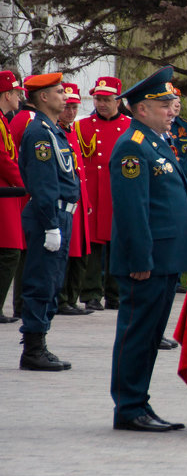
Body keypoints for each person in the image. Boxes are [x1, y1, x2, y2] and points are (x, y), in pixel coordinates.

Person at [108, 66, 187, 432]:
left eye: (170, 103)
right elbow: (133, 210)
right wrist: (141, 258)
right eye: (163, 104)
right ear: (141, 108)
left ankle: (139, 402)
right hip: (146, 261)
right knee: (137, 334)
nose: (171, 109)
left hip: (165, 259)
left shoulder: (157, 141)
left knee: (149, 336)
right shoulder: (133, 145)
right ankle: (129, 406)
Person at [15, 73, 80, 371]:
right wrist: (51, 224)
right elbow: (42, 183)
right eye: (58, 91)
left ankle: (40, 344)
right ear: (42, 97)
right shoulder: (40, 133)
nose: (64, 96)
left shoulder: (53, 130)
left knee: (52, 282)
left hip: (59, 214)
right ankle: (33, 350)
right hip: (48, 216)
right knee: (41, 282)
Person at [76, 75, 129, 311]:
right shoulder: (82, 125)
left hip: (119, 191)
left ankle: (115, 294)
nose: (101, 104)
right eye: (98, 99)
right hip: (94, 193)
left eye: (107, 99)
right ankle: (91, 293)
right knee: (94, 245)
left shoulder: (130, 125)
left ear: (118, 100)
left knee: (119, 243)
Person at [56, 83, 93, 316]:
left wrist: (86, 201)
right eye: (67, 106)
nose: (70, 112)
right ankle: (61, 299)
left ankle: (70, 297)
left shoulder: (71, 131)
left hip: (79, 199)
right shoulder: (56, 131)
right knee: (67, 251)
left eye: (74, 107)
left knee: (80, 250)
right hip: (65, 201)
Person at [0, 69, 26, 323]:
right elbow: (3, 160)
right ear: (7, 94)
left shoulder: (4, 120)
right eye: (17, 92)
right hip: (4, 192)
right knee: (9, 252)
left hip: (9, 193)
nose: (20, 97)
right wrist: (25, 182)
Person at [167, 88, 187, 179]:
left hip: (182, 176)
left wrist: (185, 172)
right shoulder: (156, 124)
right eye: (173, 102)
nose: (177, 105)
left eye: (179, 102)